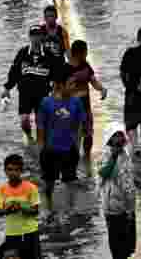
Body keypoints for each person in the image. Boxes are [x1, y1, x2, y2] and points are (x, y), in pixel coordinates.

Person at [37, 66, 86, 216]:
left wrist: (77, 146)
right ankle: (49, 208)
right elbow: (40, 128)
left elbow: (79, 126)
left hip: (69, 150)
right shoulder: (46, 103)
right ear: (59, 84)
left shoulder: (76, 102)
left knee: (70, 183)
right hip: (50, 151)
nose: (74, 87)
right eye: (71, 84)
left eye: (75, 83)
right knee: (49, 184)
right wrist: (41, 150)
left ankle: (70, 210)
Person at [2, 26, 57, 142]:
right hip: (25, 93)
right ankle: (29, 136)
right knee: (24, 121)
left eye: (38, 35)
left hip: (43, 93)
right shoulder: (22, 53)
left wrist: (56, 91)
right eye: (33, 35)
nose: (36, 38)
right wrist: (7, 88)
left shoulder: (48, 55)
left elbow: (56, 74)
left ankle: (41, 144)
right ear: (30, 37)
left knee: (40, 122)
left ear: (42, 37)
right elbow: (14, 71)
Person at [99, 124, 136, 258]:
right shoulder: (106, 155)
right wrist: (113, 157)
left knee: (128, 247)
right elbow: (103, 173)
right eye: (115, 136)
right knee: (117, 248)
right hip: (113, 209)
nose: (118, 139)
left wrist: (131, 209)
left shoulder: (126, 155)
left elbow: (129, 179)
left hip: (127, 207)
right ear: (109, 139)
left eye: (120, 136)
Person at [0, 153, 42, 259]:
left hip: (30, 233)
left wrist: (21, 207)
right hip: (12, 234)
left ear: (21, 171)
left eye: (16, 170)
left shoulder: (31, 188)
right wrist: (8, 209)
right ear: (5, 171)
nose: (13, 173)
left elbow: (35, 211)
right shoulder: (2, 190)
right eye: (10, 169)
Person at [68, 40, 106, 159]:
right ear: (78, 53)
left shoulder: (86, 65)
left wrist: (102, 89)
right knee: (75, 138)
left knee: (89, 135)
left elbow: (93, 81)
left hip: (86, 108)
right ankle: (74, 161)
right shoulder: (65, 69)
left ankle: (87, 158)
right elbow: (58, 89)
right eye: (85, 52)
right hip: (71, 110)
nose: (87, 54)